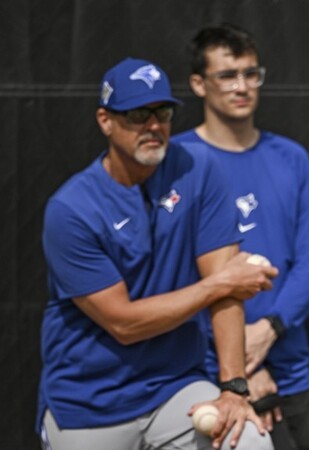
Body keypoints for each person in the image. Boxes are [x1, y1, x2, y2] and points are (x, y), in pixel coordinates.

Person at [36, 57, 279, 450]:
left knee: (248, 441)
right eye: (137, 114)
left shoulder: (198, 169)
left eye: (162, 111)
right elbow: (125, 324)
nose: (153, 125)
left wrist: (234, 388)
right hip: (90, 402)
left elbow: (229, 292)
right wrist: (217, 283)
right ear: (105, 120)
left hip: (176, 386)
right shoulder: (71, 209)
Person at [173, 23, 309, 450]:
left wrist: (269, 330)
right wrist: (237, 367)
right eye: (227, 75)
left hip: (290, 369)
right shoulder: (176, 162)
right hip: (206, 377)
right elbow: (175, 277)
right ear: (199, 84)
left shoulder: (291, 158)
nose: (241, 86)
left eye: (251, 73)